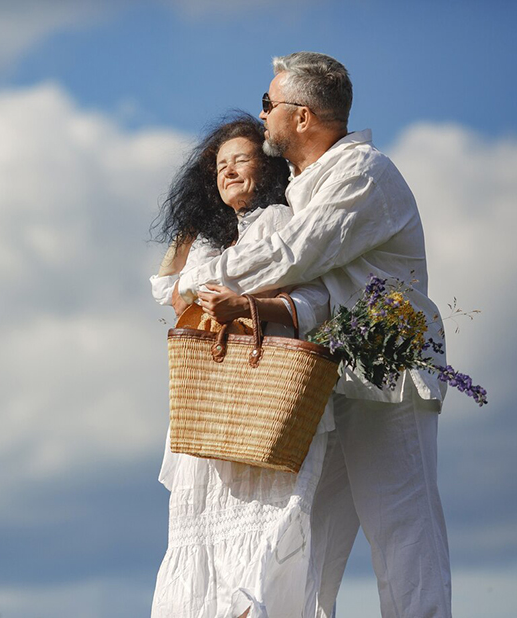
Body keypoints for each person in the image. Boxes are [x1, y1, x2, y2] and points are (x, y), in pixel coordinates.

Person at [176, 52, 451, 618]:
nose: (263, 114)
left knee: (403, 540)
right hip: (326, 384)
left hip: (388, 382)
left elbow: (293, 255)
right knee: (301, 549)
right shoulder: (301, 187)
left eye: (268, 104)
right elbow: (313, 291)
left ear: (301, 117)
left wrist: (197, 281)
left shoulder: (363, 174)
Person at [150, 113, 331, 618]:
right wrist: (187, 221)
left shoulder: (276, 222)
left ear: (267, 168)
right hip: (219, 402)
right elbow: (167, 288)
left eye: (241, 160)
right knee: (206, 530)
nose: (227, 172)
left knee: (263, 532)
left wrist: (196, 277)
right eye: (219, 167)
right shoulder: (217, 239)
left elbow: (209, 283)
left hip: (258, 395)